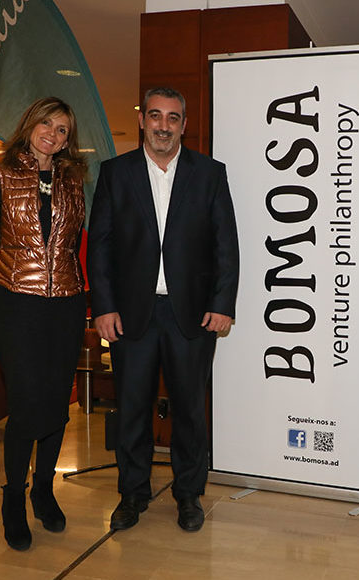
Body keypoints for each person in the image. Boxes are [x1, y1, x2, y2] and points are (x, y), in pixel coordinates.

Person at [86, 87, 239, 533]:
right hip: (131, 315)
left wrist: (222, 304)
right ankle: (132, 494)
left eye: (173, 118)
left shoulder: (209, 173)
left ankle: (188, 495)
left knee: (190, 410)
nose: (163, 126)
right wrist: (103, 307)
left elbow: (225, 245)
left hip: (191, 315)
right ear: (142, 120)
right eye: (155, 115)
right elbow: (100, 247)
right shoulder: (115, 173)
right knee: (132, 408)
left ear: (184, 125)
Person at [0, 97, 89, 551]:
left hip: (66, 303)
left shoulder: (73, 179)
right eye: (47, 124)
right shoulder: (0, 173)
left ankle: (44, 489)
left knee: (56, 402)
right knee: (26, 403)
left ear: (67, 140)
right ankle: (13, 498)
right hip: (17, 303)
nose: (53, 134)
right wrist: (17, 281)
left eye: (62, 130)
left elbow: (75, 242)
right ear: (30, 125)